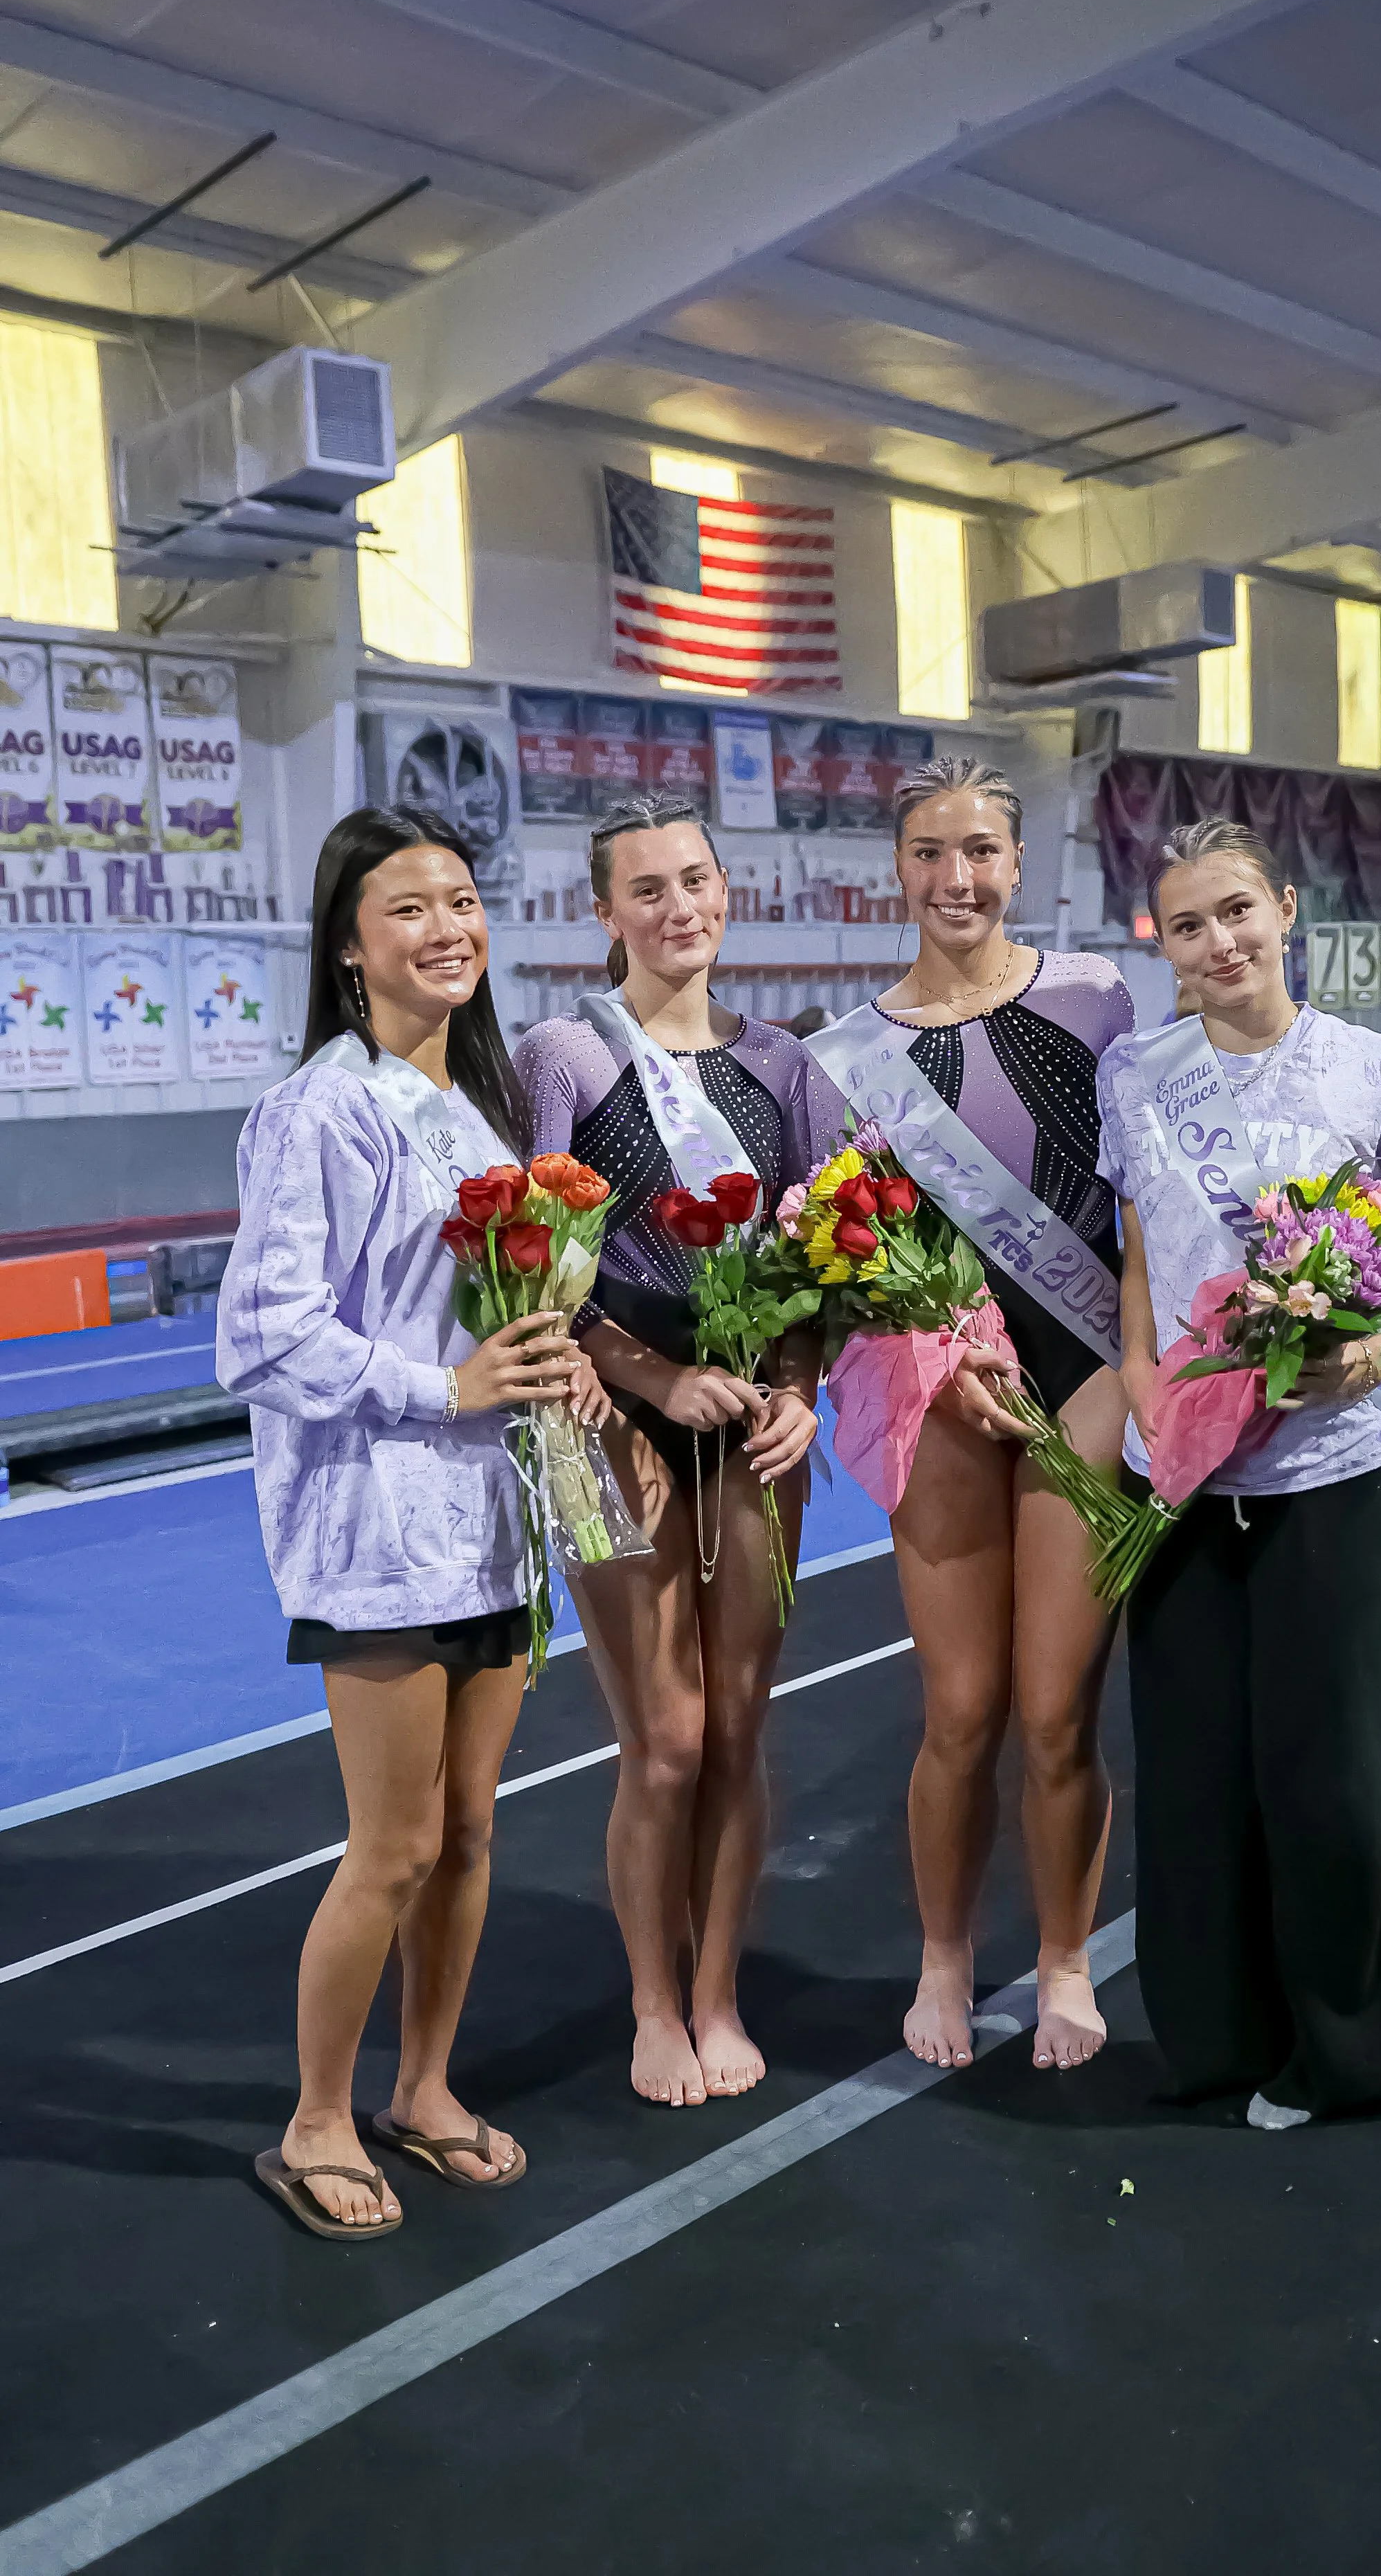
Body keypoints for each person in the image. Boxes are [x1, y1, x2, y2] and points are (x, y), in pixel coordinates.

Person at [217, 804, 608, 2237]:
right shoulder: (320, 1106)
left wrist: (547, 1354)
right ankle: (317, 2116)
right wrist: (443, 1386)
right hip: (379, 1530)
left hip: (494, 1523)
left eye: (462, 901)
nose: (447, 928)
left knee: (465, 1837)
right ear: (346, 947)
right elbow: (262, 1339)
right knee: (388, 1847)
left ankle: (423, 2088)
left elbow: (486, 1320)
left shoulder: (479, 1115)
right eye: (407, 909)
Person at [1097, 817, 1381, 2129]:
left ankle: (1350, 2055)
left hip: (1341, 1475)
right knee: (1196, 1779)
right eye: (1187, 926)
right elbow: (1143, 1266)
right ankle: (1214, 2042)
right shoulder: (1134, 1077)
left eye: (1236, 914)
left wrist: (1371, 1360)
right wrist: (1148, 1396)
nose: (1217, 945)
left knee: (1333, 1781)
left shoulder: (1376, 1069)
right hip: (1186, 1490)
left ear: (1286, 911)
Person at [808, 757, 1133, 2075]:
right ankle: (945, 1956)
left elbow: (1148, 1191)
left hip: (1088, 1380)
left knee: (1059, 1716)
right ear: (898, 870)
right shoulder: (845, 1058)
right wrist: (943, 1362)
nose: (960, 879)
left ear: (1019, 863)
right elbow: (845, 1258)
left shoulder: (1097, 1000)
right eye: (933, 853)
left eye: (984, 851)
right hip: (942, 1399)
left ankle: (1065, 1962)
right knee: (962, 1713)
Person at [514, 794, 820, 2111]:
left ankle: (716, 1994)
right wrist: (648, 1375)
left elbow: (828, 1257)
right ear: (605, 913)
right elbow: (528, 1264)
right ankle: (650, 2002)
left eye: (694, 880)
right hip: (612, 1418)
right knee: (669, 1743)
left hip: (756, 1430)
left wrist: (799, 1386)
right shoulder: (562, 1059)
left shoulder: (787, 1068)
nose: (677, 907)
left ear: (726, 888)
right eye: (646, 890)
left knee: (740, 1733)